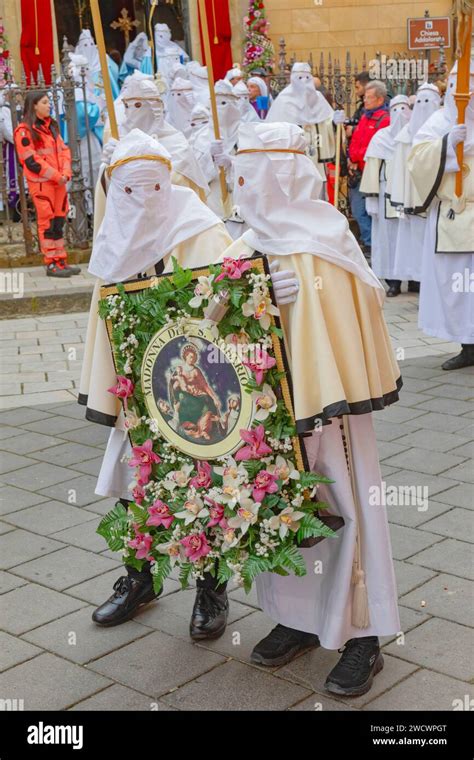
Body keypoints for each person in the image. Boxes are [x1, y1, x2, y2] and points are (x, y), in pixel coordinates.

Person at [221, 121, 401, 696]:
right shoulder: (247, 241)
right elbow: (213, 315)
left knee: (345, 503)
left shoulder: (327, 233)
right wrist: (247, 294)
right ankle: (299, 618)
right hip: (269, 411)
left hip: (333, 411)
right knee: (279, 508)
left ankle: (365, 634)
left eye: (252, 173)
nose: (241, 186)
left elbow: (362, 303)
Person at [79, 129, 232, 636]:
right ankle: (139, 578)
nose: (142, 201)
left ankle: (212, 588)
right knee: (132, 483)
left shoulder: (202, 229)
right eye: (128, 190)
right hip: (137, 392)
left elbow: (230, 299)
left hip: (190, 388)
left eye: (153, 187)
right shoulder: (114, 235)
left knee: (204, 487)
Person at [407, 62, 474, 370]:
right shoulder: (438, 121)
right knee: (457, 287)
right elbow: (416, 158)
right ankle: (468, 345)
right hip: (451, 214)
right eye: (461, 87)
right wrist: (447, 144)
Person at [13, 91, 80, 277]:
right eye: (44, 102)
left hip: (58, 183)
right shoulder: (24, 130)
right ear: (34, 105)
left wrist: (65, 172)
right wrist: (57, 175)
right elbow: (31, 161)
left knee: (58, 222)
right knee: (47, 223)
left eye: (49, 101)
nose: (49, 105)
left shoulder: (51, 127)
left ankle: (60, 260)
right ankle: (51, 263)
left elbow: (64, 150)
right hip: (43, 185)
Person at [386, 83, 441, 294]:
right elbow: (399, 171)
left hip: (436, 200)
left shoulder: (443, 130)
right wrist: (401, 201)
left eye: (428, 101)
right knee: (412, 242)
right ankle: (411, 280)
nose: (423, 106)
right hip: (410, 200)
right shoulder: (404, 137)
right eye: (419, 102)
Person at [360, 95, 411, 295]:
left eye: (405, 109)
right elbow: (373, 169)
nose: (401, 115)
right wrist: (372, 198)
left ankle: (414, 278)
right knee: (389, 238)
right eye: (396, 109)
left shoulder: (417, 136)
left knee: (409, 236)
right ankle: (393, 280)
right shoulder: (381, 138)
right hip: (385, 196)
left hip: (410, 197)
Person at [267, 62, 341, 194]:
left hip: (316, 157)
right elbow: (274, 129)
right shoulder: (284, 100)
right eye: (299, 78)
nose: (304, 82)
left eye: (307, 78)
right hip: (294, 161)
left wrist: (335, 121)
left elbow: (328, 122)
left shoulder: (318, 99)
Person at [348, 79, 390, 253]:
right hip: (357, 170)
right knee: (358, 209)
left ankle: (373, 244)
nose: (364, 100)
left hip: (370, 172)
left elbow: (375, 146)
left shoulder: (385, 120)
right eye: (365, 97)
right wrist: (351, 159)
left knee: (369, 210)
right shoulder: (365, 116)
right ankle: (369, 241)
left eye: (369, 97)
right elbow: (357, 141)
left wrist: (356, 157)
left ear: (380, 100)